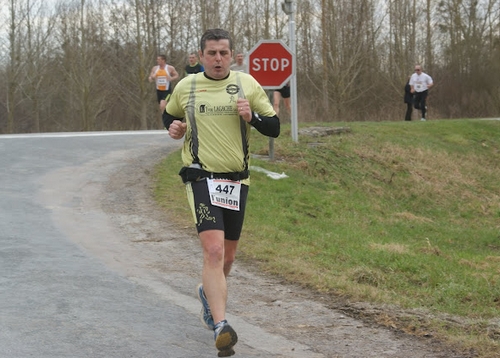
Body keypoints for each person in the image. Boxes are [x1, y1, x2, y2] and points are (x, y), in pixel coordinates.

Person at [165, 28, 280, 356]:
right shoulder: (187, 86)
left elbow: (274, 127)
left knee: (228, 257)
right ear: (201, 56)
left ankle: (206, 292)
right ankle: (221, 325)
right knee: (213, 251)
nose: (218, 59)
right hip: (200, 177)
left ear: (231, 55)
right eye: (212, 53)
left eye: (223, 53)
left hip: (236, 181)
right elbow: (169, 116)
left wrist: (252, 117)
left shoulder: (247, 85)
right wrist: (174, 129)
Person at [148, 54, 179, 125]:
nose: (157, 61)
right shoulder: (155, 68)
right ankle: (168, 119)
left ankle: (166, 122)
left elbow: (176, 75)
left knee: (162, 105)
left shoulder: (169, 68)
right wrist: (152, 77)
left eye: (159, 59)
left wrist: (171, 78)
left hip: (167, 90)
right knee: (163, 107)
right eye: (157, 59)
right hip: (159, 90)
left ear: (163, 60)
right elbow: (150, 78)